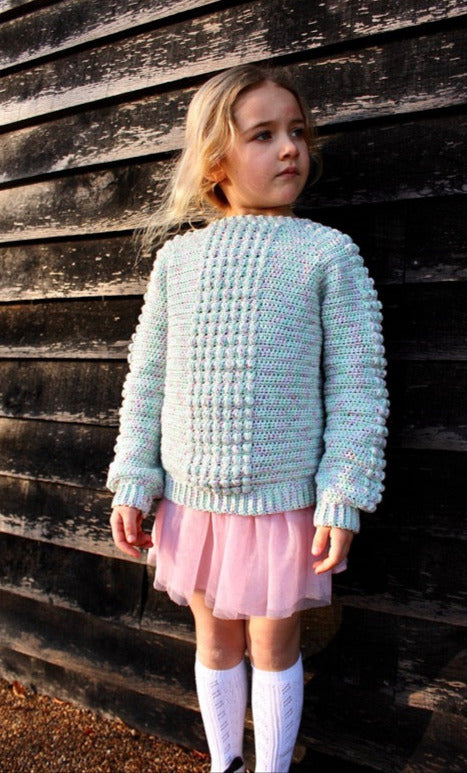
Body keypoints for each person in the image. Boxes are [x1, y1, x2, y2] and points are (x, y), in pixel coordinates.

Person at [107, 63, 389, 773]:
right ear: (215, 161)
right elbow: (148, 380)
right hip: (192, 502)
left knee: (273, 645)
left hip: (283, 503)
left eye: (297, 132)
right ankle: (225, 761)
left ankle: (272, 767)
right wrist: (134, 478)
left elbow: (358, 384)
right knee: (214, 641)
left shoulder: (327, 255)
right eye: (263, 135)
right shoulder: (177, 262)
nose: (290, 147)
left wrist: (345, 491)